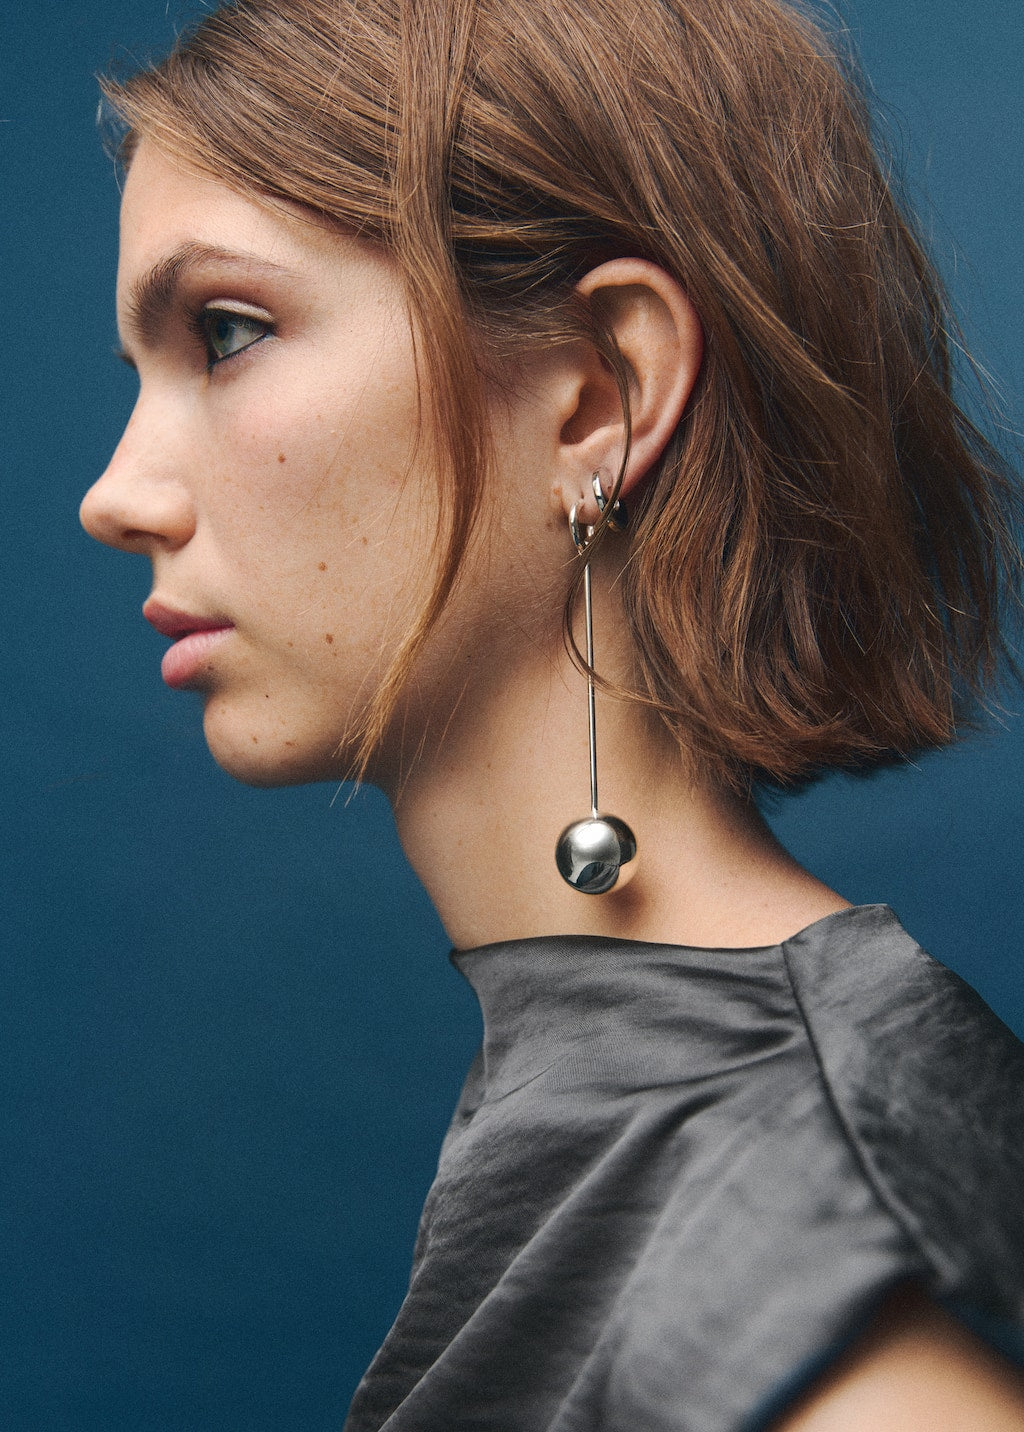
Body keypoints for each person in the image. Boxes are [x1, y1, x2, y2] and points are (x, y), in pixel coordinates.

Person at [79, 0, 1024, 1426]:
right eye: (142, 372)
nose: (116, 495)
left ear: (599, 395)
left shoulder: (807, 1237)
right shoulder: (636, 1097)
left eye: (226, 332)